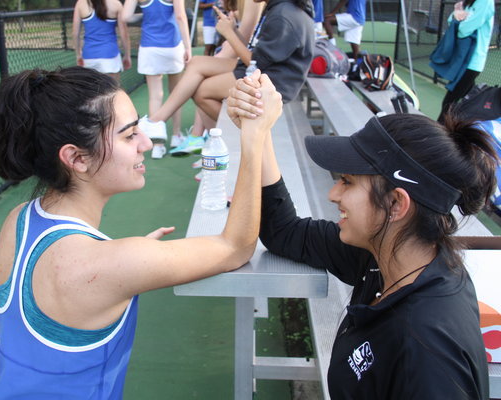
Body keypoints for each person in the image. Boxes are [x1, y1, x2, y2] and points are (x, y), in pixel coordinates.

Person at [0, 66, 282, 399]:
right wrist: (256, 135)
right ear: (76, 158)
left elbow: (71, 278)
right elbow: (236, 247)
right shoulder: (111, 263)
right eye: (128, 135)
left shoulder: (18, 221)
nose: (144, 142)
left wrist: (128, 257)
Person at [227, 71, 497, 399]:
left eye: (348, 182)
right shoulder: (389, 256)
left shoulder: (425, 352)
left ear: (396, 203)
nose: (333, 194)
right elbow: (285, 232)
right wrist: (258, 132)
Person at [138, 0, 314, 150]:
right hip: (264, 70)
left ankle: (233, 141)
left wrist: (229, 34)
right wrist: (233, 29)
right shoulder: (280, 8)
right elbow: (257, 55)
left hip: (272, 82)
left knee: (202, 91)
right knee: (196, 63)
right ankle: (157, 121)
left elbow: (256, 63)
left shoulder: (283, 14)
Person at [122, 0, 192, 159]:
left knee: (155, 96)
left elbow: (126, 17)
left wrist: (146, 13)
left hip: (149, 48)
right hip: (173, 47)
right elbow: (180, 16)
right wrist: (188, 47)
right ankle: (176, 135)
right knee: (176, 93)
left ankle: (157, 146)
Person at [436, 0, 495, 122]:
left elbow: (464, 30)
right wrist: (457, 14)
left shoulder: (486, 2)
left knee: (449, 103)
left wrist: (459, 19)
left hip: (473, 62)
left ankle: (436, 136)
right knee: (467, 98)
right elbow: (451, 20)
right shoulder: (470, 2)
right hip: (462, 60)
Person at [72, 0, 131, 82]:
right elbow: (124, 34)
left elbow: (75, 33)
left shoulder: (81, 4)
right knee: (113, 91)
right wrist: (127, 55)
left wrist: (78, 54)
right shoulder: (116, 4)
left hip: (89, 56)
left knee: (92, 92)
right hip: (110, 56)